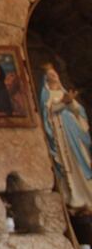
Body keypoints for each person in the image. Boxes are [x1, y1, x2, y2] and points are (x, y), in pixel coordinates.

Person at [40, 63, 92, 213]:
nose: (54, 76)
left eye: (55, 74)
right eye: (50, 75)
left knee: (82, 161)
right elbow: (48, 114)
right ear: (46, 79)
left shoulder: (64, 92)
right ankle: (74, 198)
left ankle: (88, 195)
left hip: (73, 133)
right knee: (68, 164)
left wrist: (70, 103)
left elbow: (78, 111)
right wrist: (64, 103)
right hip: (61, 135)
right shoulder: (47, 95)